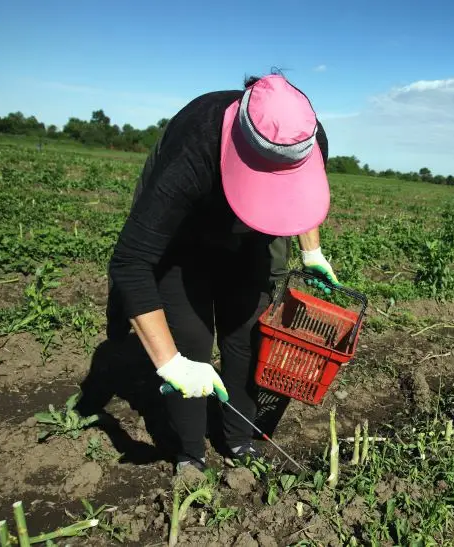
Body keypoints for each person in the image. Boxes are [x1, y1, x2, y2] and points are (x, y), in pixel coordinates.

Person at [103, 73, 340, 475]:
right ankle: (188, 452)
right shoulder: (195, 144)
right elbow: (131, 261)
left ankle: (239, 439)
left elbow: (300, 192)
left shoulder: (311, 137)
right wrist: (170, 363)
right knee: (190, 340)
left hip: (252, 236)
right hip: (186, 235)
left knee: (247, 334)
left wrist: (311, 249)